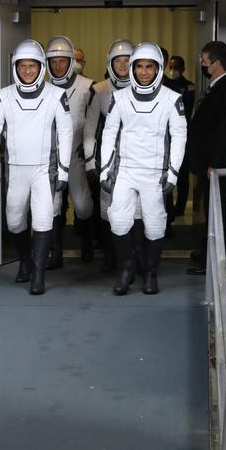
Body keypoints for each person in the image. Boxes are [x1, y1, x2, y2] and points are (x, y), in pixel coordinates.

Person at [0, 39, 72, 296]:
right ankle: (25, 260)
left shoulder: (56, 95)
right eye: (22, 66)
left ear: (40, 67)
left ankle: (38, 274)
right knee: (14, 221)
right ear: (15, 67)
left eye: (32, 66)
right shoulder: (5, 95)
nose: (27, 71)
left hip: (44, 169)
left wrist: (63, 171)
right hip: (16, 169)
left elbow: (65, 134)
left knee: (43, 220)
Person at [100, 42, 186, 296]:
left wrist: (173, 173)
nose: (144, 72)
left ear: (158, 68)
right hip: (125, 169)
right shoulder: (119, 97)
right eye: (139, 66)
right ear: (134, 69)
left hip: (154, 172)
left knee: (155, 225)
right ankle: (126, 269)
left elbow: (179, 136)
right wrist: (106, 170)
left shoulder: (172, 99)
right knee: (118, 220)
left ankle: (150, 273)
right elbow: (109, 133)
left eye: (149, 67)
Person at [84, 38, 136, 274]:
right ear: (110, 63)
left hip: (138, 158)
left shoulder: (146, 88)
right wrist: (89, 162)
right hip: (108, 160)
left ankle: (133, 257)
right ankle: (109, 255)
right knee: (107, 211)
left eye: (128, 61)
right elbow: (90, 128)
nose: (123, 66)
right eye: (119, 61)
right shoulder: (100, 90)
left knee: (137, 210)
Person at [45, 35, 96, 267]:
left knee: (83, 204)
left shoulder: (88, 86)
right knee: (53, 205)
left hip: (76, 155)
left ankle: (87, 241)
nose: (58, 66)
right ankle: (55, 253)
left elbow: (95, 122)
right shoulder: (42, 88)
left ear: (70, 61)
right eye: (53, 62)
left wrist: (88, 150)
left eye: (62, 61)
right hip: (51, 156)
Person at [186, 40, 226, 276]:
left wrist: (216, 162)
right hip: (206, 164)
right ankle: (205, 252)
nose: (202, 66)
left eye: (204, 62)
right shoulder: (216, 86)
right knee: (209, 209)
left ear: (217, 64)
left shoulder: (225, 89)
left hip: (215, 165)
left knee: (217, 213)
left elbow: (222, 129)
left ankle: (213, 263)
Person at [163, 54, 196, 221]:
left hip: (183, 133)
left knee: (182, 173)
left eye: (176, 67)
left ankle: (180, 207)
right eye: (171, 66)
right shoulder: (164, 84)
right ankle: (168, 209)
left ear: (182, 69)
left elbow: (187, 106)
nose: (172, 70)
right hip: (165, 134)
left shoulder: (188, 86)